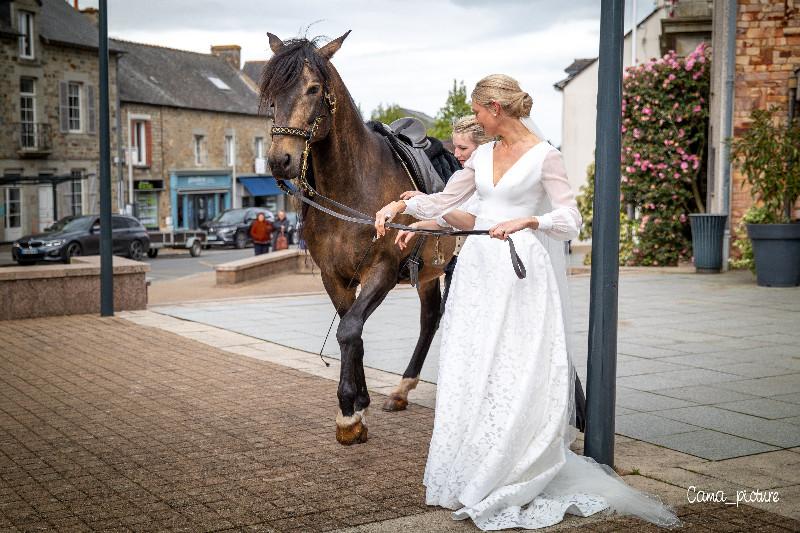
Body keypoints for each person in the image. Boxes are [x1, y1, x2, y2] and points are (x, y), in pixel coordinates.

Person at [374, 75, 679, 530]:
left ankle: (513, 467)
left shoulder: (545, 156)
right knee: (472, 363)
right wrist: (401, 208)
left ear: (495, 107)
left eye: (477, 110)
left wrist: (530, 220)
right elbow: (448, 199)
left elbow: (571, 218)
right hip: (479, 269)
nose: (474, 119)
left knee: (516, 366)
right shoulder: (481, 154)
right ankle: (474, 465)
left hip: (521, 270)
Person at [397, 117, 589, 434]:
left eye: (463, 147)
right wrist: (419, 218)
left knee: (519, 347)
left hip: (508, 262)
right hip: (474, 262)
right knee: (479, 346)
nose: (457, 153)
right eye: (456, 146)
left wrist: (424, 209)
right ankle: (486, 417)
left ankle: (568, 414)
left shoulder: (504, 170)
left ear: (483, 145)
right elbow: (454, 214)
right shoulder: (476, 172)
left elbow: (466, 217)